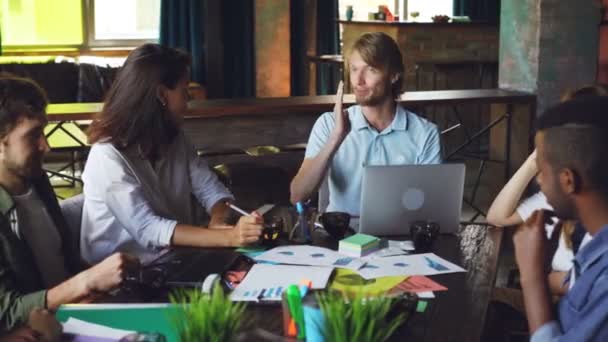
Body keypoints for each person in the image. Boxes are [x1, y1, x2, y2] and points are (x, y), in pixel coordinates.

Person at [81, 44, 263, 264]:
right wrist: (229, 237)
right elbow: (148, 229)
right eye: (184, 91)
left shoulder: (175, 138)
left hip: (173, 260)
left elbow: (211, 190)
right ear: (161, 94)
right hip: (120, 280)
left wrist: (217, 221)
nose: (188, 102)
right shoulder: (107, 155)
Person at [0, 75, 135, 331]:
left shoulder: (38, 181)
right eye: (33, 136)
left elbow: (66, 263)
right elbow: (7, 310)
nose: (46, 146)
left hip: (79, 316)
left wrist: (107, 281)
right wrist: (87, 281)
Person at [290, 32, 441, 215]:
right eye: (354, 69)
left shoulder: (426, 133)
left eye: (371, 70)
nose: (358, 81)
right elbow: (297, 196)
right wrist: (336, 138)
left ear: (393, 75)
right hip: (341, 236)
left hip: (400, 238)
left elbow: (432, 208)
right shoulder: (328, 124)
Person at [487, 84, 608, 295]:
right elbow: (497, 216)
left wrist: (533, 273)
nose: (540, 179)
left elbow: (577, 286)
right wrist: (535, 160)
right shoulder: (561, 194)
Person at [514, 96, 608, 341]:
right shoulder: (594, 241)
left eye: (542, 171)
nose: (539, 181)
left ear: (568, 180)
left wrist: (532, 276)